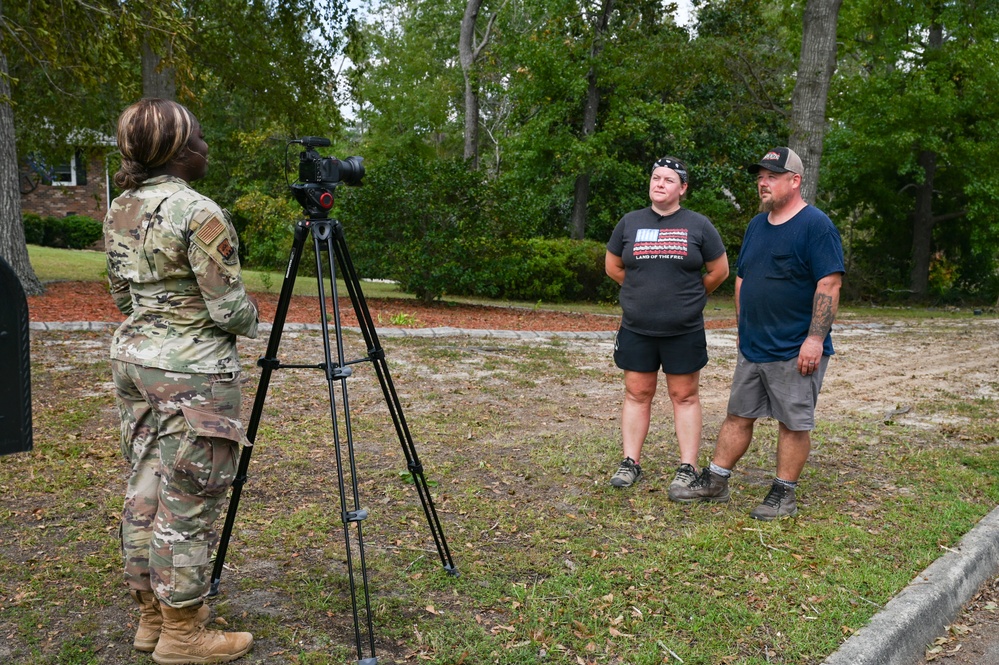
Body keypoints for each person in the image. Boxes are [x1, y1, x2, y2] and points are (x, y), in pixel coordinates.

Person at [104, 98, 259, 663]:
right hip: (192, 371)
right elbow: (227, 309)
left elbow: (121, 294)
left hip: (135, 360)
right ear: (178, 151)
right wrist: (253, 317)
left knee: (146, 486)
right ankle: (183, 635)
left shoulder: (122, 206)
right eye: (199, 137)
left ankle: (151, 620)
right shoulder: (199, 212)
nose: (206, 146)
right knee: (188, 499)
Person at [670, 147, 845, 520]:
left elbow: (828, 283)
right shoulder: (756, 225)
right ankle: (715, 481)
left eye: (772, 176)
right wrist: (741, 327)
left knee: (792, 423)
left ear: (795, 181)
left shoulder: (817, 226)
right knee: (738, 414)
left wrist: (814, 339)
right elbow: (742, 278)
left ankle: (784, 493)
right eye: (760, 177)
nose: (762, 183)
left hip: (795, 347)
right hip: (754, 344)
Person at [605, 156, 729, 492]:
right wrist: (639, 294)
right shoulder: (629, 223)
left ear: (683, 188)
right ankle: (631, 462)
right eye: (656, 178)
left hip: (683, 329)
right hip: (636, 327)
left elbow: (719, 272)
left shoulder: (699, 225)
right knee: (637, 393)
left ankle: (687, 466)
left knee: (684, 396)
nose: (660, 184)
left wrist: (687, 297)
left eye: (668, 180)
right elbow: (614, 266)